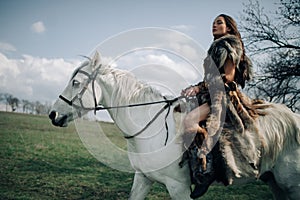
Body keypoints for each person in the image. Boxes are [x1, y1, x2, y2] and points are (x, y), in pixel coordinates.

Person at [181, 14, 253, 199]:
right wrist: (194, 88)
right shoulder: (215, 47)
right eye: (213, 23)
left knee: (190, 121)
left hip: (223, 96)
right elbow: (209, 79)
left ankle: (206, 171)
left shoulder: (228, 45)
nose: (214, 25)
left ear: (228, 27)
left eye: (219, 23)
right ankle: (192, 165)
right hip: (210, 93)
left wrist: (200, 87)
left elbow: (228, 77)